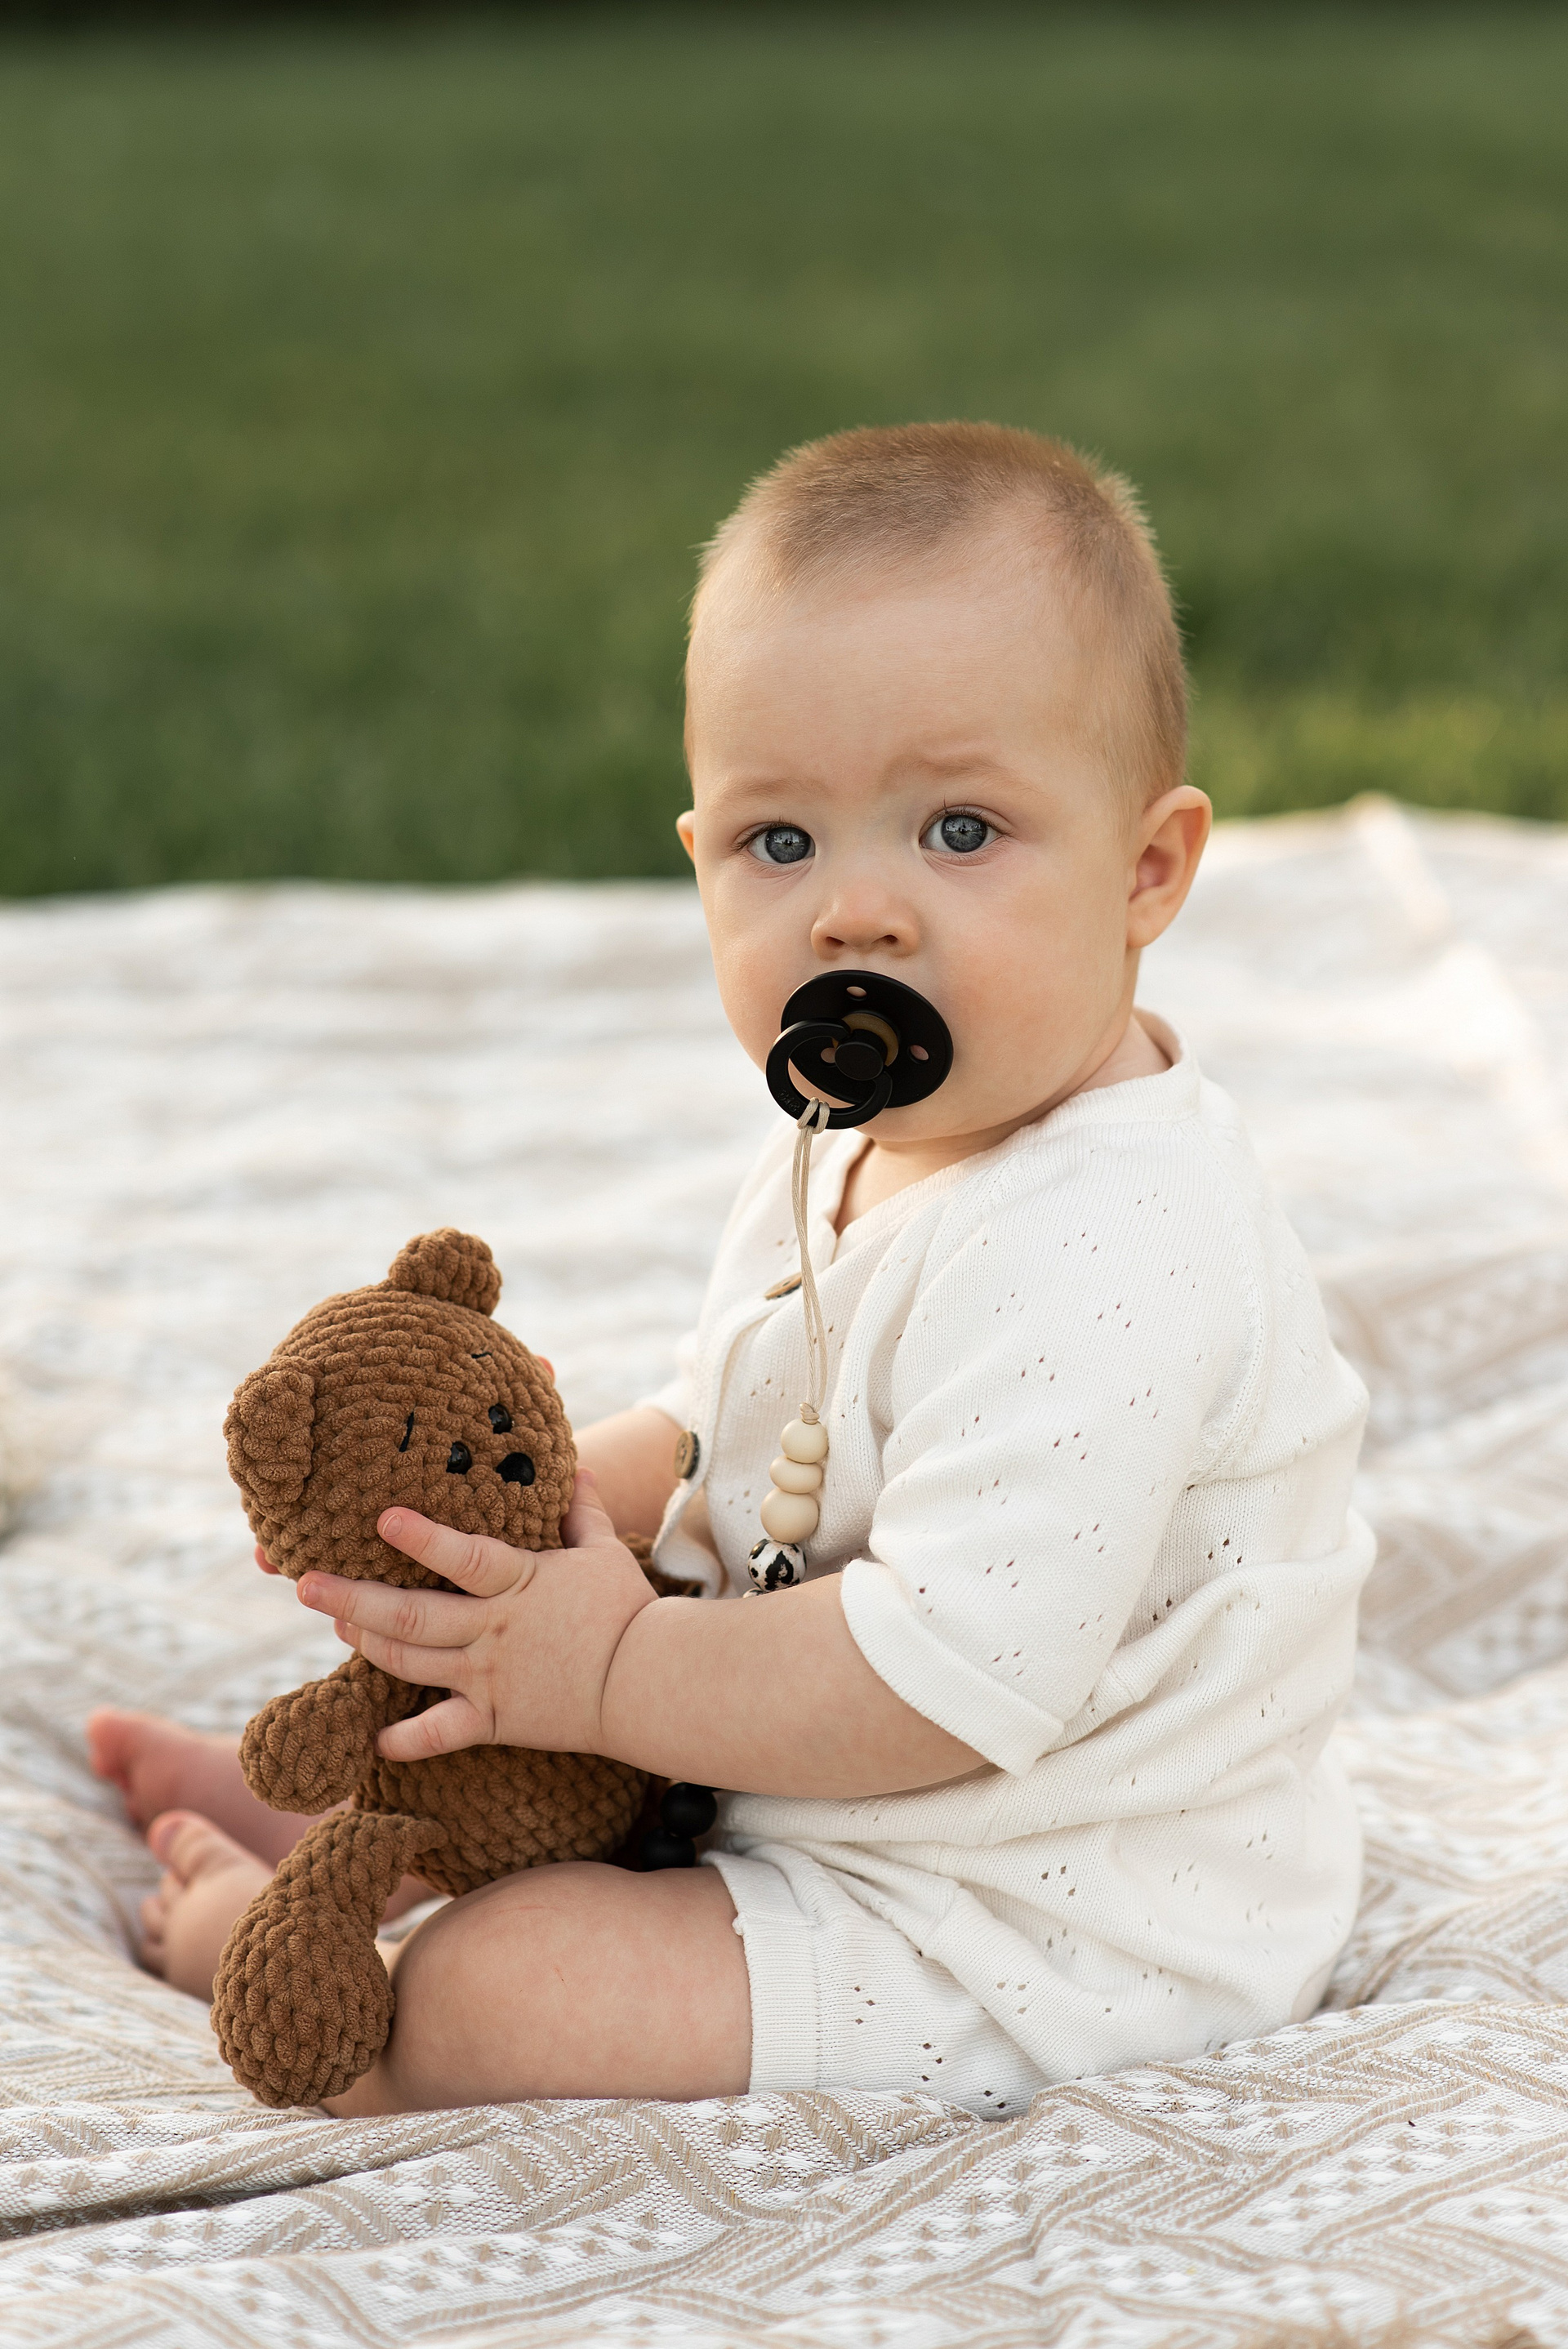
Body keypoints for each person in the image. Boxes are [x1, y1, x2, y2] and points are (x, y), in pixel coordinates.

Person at [90, 421, 1372, 2119]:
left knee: (510, 1991)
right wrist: (504, 1531)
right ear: (697, 857)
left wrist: (609, 1671)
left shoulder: (1113, 1249)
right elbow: (725, 1425)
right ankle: (366, 1811)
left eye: (960, 829)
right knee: (516, 1704)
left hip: (1032, 1919)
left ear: (1149, 870)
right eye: (781, 843)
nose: (856, 913)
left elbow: (939, 1675)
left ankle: (297, 1966)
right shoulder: (853, 1138)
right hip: (789, 1790)